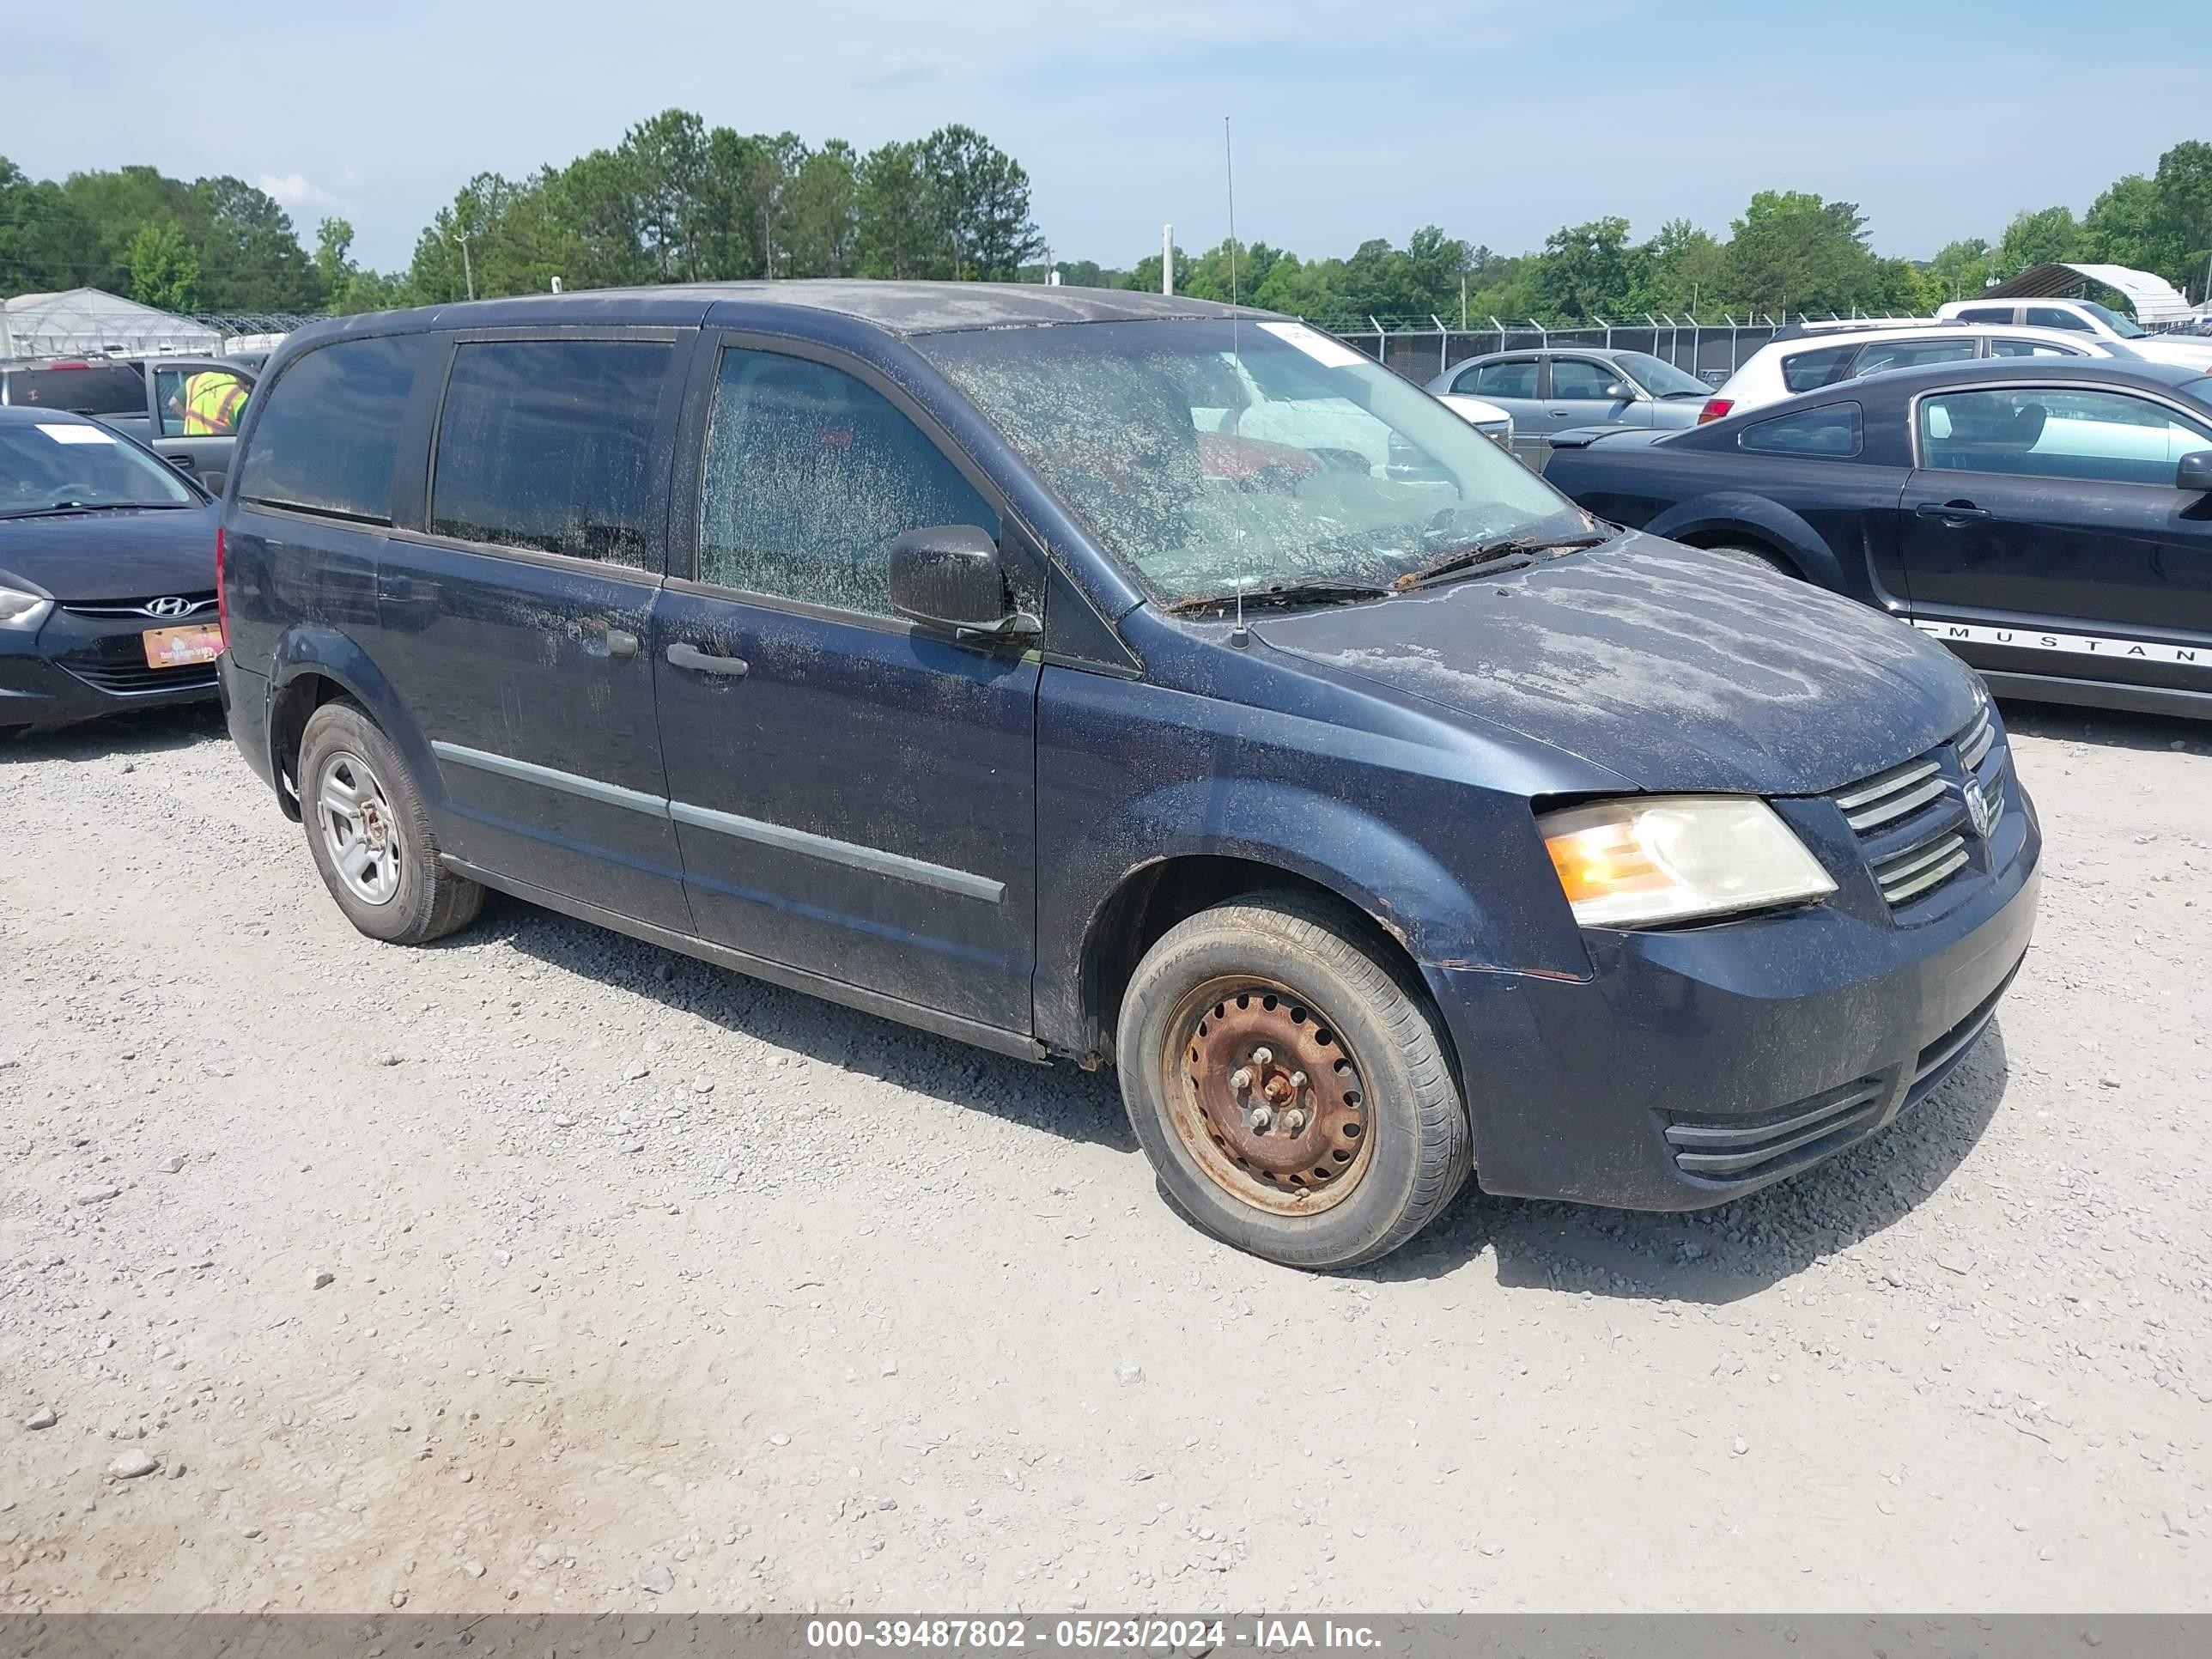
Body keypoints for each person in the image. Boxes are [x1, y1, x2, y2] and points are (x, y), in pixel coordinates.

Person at [180, 369, 249, 436]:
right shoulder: (240, 396)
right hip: (221, 444)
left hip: (190, 442)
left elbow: (174, 403)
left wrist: (190, 418)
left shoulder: (198, 379)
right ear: (247, 384)